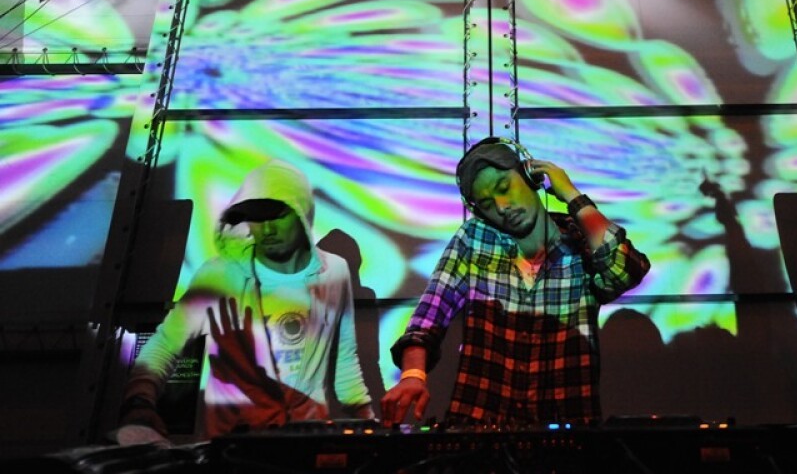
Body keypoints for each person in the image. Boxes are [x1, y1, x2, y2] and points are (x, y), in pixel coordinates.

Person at [380, 138, 650, 426]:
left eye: (504, 187)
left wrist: (573, 197)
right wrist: (412, 376)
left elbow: (626, 272)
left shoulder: (581, 239)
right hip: (480, 427)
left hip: (568, 425)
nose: (502, 206)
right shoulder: (474, 238)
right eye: (487, 203)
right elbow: (427, 319)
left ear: (531, 177)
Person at [116, 159, 374, 444]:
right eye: (257, 218)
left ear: (302, 212)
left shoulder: (333, 272)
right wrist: (139, 401)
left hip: (305, 445)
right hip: (231, 446)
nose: (267, 229)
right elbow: (166, 343)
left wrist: (372, 428)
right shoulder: (220, 274)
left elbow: (345, 362)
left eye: (277, 215)